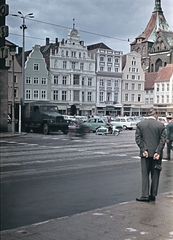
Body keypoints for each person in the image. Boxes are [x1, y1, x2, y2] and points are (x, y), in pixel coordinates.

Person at [135, 108, 166, 202]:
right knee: (155, 175)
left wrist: (143, 149)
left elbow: (138, 138)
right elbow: (163, 140)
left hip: (145, 154)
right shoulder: (160, 125)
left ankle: (145, 195)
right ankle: (153, 195)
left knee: (145, 175)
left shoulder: (140, 124)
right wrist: (158, 151)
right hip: (157, 155)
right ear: (155, 115)